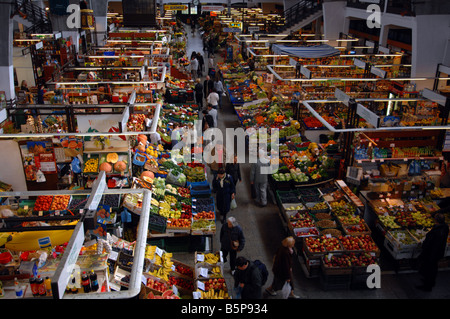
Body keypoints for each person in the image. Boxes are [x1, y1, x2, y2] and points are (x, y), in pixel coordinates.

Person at [416, 213, 449, 292]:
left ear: (436, 220)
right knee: (432, 269)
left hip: (431, 254)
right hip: (437, 253)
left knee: (430, 269)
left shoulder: (437, 231)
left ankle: (427, 286)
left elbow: (431, 243)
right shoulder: (445, 227)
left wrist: (424, 248)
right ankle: (430, 282)